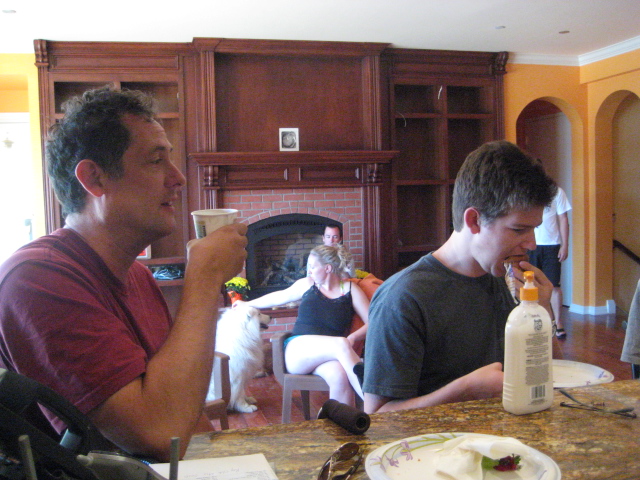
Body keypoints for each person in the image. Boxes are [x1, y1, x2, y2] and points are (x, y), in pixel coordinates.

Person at [0, 87, 247, 461]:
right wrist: (205, 278)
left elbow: (181, 411)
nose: (178, 178)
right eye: (156, 160)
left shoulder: (138, 277)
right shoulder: (36, 280)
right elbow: (158, 434)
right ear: (94, 178)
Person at [363, 140, 557, 414]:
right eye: (518, 230)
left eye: (534, 229)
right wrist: (464, 391)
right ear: (474, 220)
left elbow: (547, 376)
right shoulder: (404, 297)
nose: (532, 244)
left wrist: (543, 312)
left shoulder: (507, 281)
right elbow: (377, 417)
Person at [236, 245, 369, 405]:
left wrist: (354, 337)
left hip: (329, 355)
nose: (309, 271)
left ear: (327, 268)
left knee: (340, 377)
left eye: (312, 267)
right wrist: (247, 304)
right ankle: (373, 404)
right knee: (342, 343)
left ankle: (340, 420)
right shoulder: (307, 284)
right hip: (298, 352)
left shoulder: (350, 289)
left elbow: (372, 321)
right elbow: (278, 297)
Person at [528, 185, 571, 338]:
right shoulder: (526, 190)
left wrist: (565, 245)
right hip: (531, 245)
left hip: (552, 246)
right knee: (531, 285)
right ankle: (535, 323)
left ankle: (558, 323)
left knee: (554, 285)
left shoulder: (557, 192)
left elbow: (563, 219)